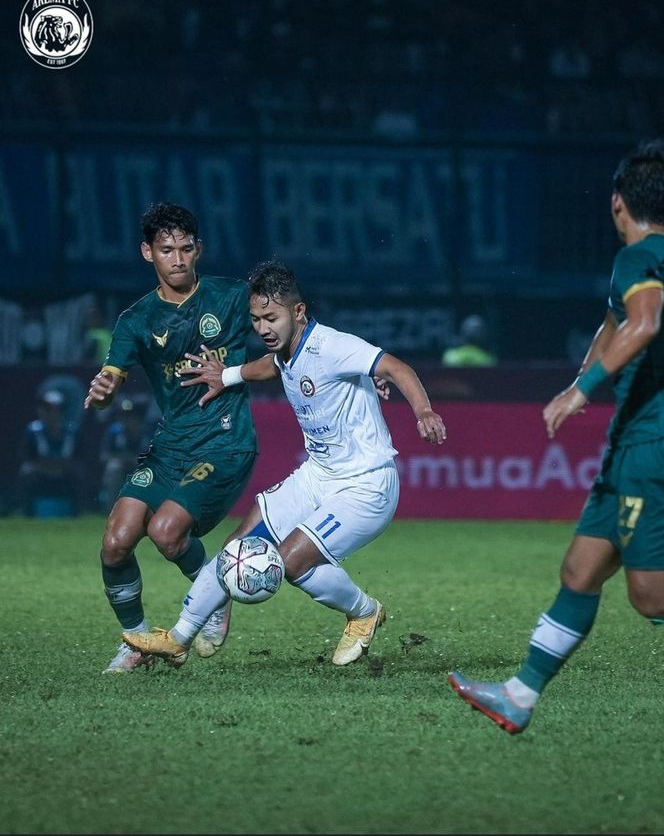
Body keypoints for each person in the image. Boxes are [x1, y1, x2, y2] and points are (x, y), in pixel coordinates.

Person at [448, 140, 664, 733]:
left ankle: (520, 693)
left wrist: (581, 390)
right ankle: (519, 694)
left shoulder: (641, 259)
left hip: (656, 445)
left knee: (655, 599)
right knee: (581, 570)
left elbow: (644, 322)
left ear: (617, 203)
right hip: (642, 441)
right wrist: (583, 374)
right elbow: (616, 324)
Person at [122, 260, 446, 668]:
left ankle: (364, 612)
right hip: (319, 475)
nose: (263, 328)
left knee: (292, 561)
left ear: (298, 312)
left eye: (271, 317)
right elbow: (270, 367)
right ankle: (180, 637)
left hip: (366, 485)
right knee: (237, 546)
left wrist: (424, 412)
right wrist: (229, 375)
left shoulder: (331, 346)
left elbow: (397, 367)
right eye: (256, 319)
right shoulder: (286, 351)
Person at [84, 202, 258, 674]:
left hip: (225, 441)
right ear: (148, 253)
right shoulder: (136, 320)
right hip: (170, 446)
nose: (177, 259)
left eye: (185, 249)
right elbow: (109, 382)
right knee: (116, 542)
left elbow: (288, 333)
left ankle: (214, 593)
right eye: (166, 250)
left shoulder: (232, 297)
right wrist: (101, 393)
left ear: (198, 249)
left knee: (164, 531)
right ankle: (137, 642)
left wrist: (239, 372)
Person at [18, 389, 83, 517]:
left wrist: (60, 468)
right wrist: (47, 469)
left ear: (61, 412)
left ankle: (77, 513)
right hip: (40, 471)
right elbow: (27, 458)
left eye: (52, 410)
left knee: (79, 474)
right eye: (44, 409)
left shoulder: (72, 432)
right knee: (26, 472)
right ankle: (28, 514)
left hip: (65, 472)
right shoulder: (33, 431)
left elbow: (78, 459)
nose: (47, 414)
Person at [97, 396, 151, 512]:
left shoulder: (147, 433)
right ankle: (111, 510)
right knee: (113, 468)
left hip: (143, 468)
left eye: (131, 416)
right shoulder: (114, 432)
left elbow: (157, 456)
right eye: (124, 416)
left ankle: (147, 510)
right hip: (120, 466)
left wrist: (136, 460)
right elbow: (104, 456)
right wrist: (122, 459)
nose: (127, 420)